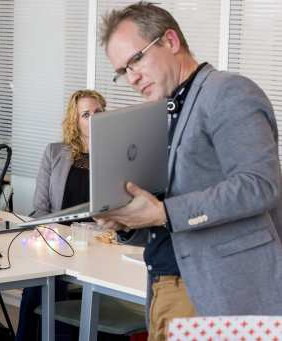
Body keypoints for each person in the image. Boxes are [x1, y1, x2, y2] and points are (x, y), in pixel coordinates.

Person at [96, 2, 282, 340]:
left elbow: (260, 185)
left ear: (170, 40)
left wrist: (164, 212)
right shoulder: (163, 112)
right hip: (166, 286)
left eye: (135, 60)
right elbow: (165, 214)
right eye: (123, 71)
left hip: (219, 290)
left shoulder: (228, 92)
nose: (132, 77)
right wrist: (127, 220)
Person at [16, 90, 107, 341]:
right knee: (39, 285)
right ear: (75, 121)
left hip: (98, 243)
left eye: (98, 112)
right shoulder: (55, 152)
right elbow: (40, 207)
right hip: (58, 240)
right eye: (86, 114)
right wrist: (53, 236)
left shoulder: (114, 155)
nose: (94, 118)